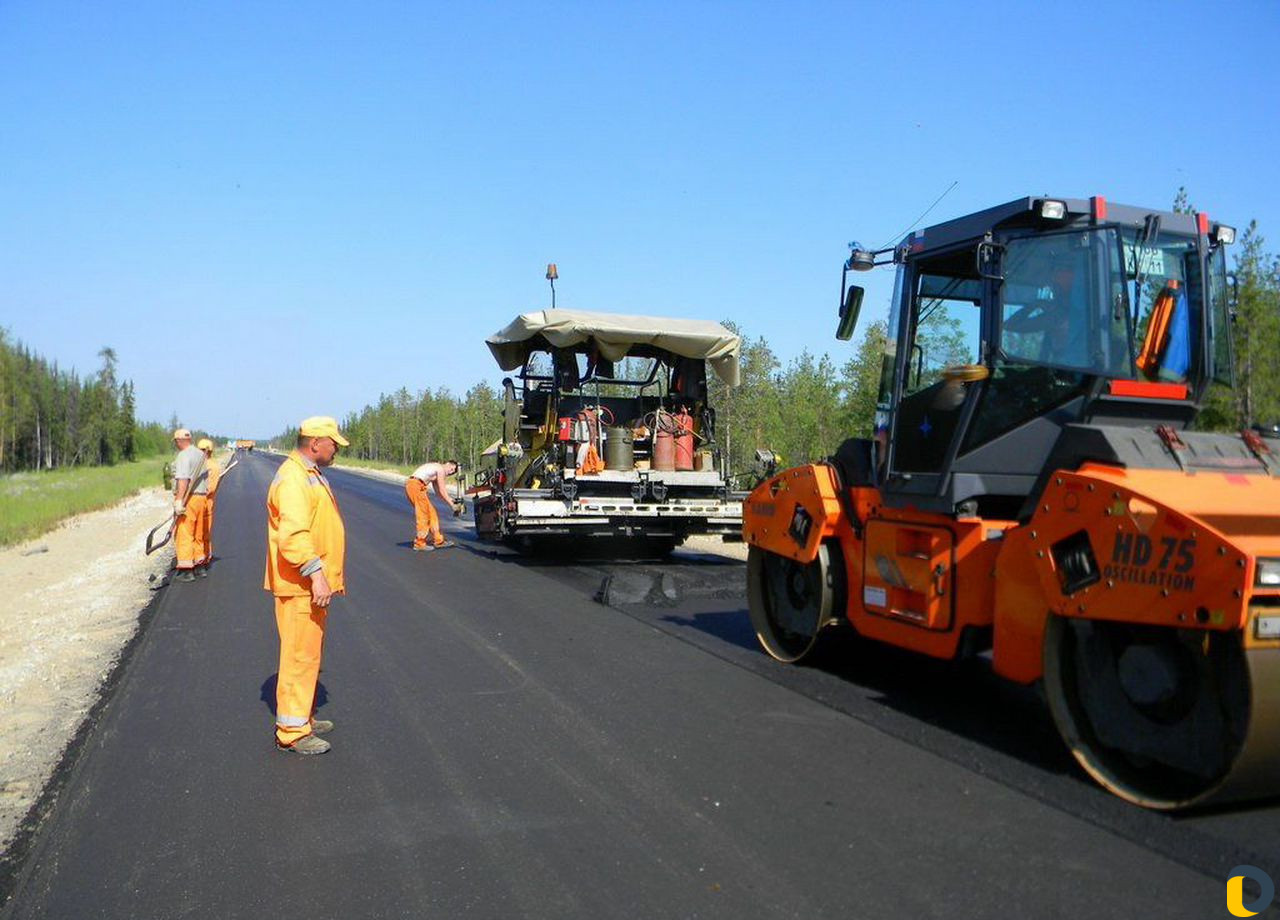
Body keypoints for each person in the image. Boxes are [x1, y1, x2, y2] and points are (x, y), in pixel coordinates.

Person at [265, 416, 349, 755]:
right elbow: (294, 535)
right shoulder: (294, 479)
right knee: (299, 655)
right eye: (333, 443)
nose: (337, 450)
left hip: (307, 584)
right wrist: (316, 573)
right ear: (315, 443)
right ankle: (292, 731)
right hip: (300, 584)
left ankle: (302, 716)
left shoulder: (309, 474)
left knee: (308, 653)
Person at [171, 428, 212, 582]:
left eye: (176, 441)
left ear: (179, 441)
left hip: (189, 499)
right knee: (198, 533)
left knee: (185, 532)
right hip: (202, 498)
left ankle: (187, 569)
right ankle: (200, 566)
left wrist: (179, 500)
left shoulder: (183, 455)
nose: (176, 444)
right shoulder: (200, 454)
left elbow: (183, 480)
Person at [405, 459, 462, 551]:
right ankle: (419, 543)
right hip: (415, 485)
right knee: (424, 515)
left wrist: (452, 500)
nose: (450, 472)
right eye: (451, 469)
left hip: (418, 486)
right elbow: (443, 490)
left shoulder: (436, 470)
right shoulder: (440, 469)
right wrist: (452, 505)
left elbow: (439, 493)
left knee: (432, 513)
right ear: (447, 464)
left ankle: (438, 540)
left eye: (453, 472)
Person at [197, 438, 221, 567]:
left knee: (202, 532)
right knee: (202, 532)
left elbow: (210, 489)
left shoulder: (210, 466)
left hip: (206, 503)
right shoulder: (203, 465)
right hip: (202, 502)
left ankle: (203, 557)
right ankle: (203, 556)